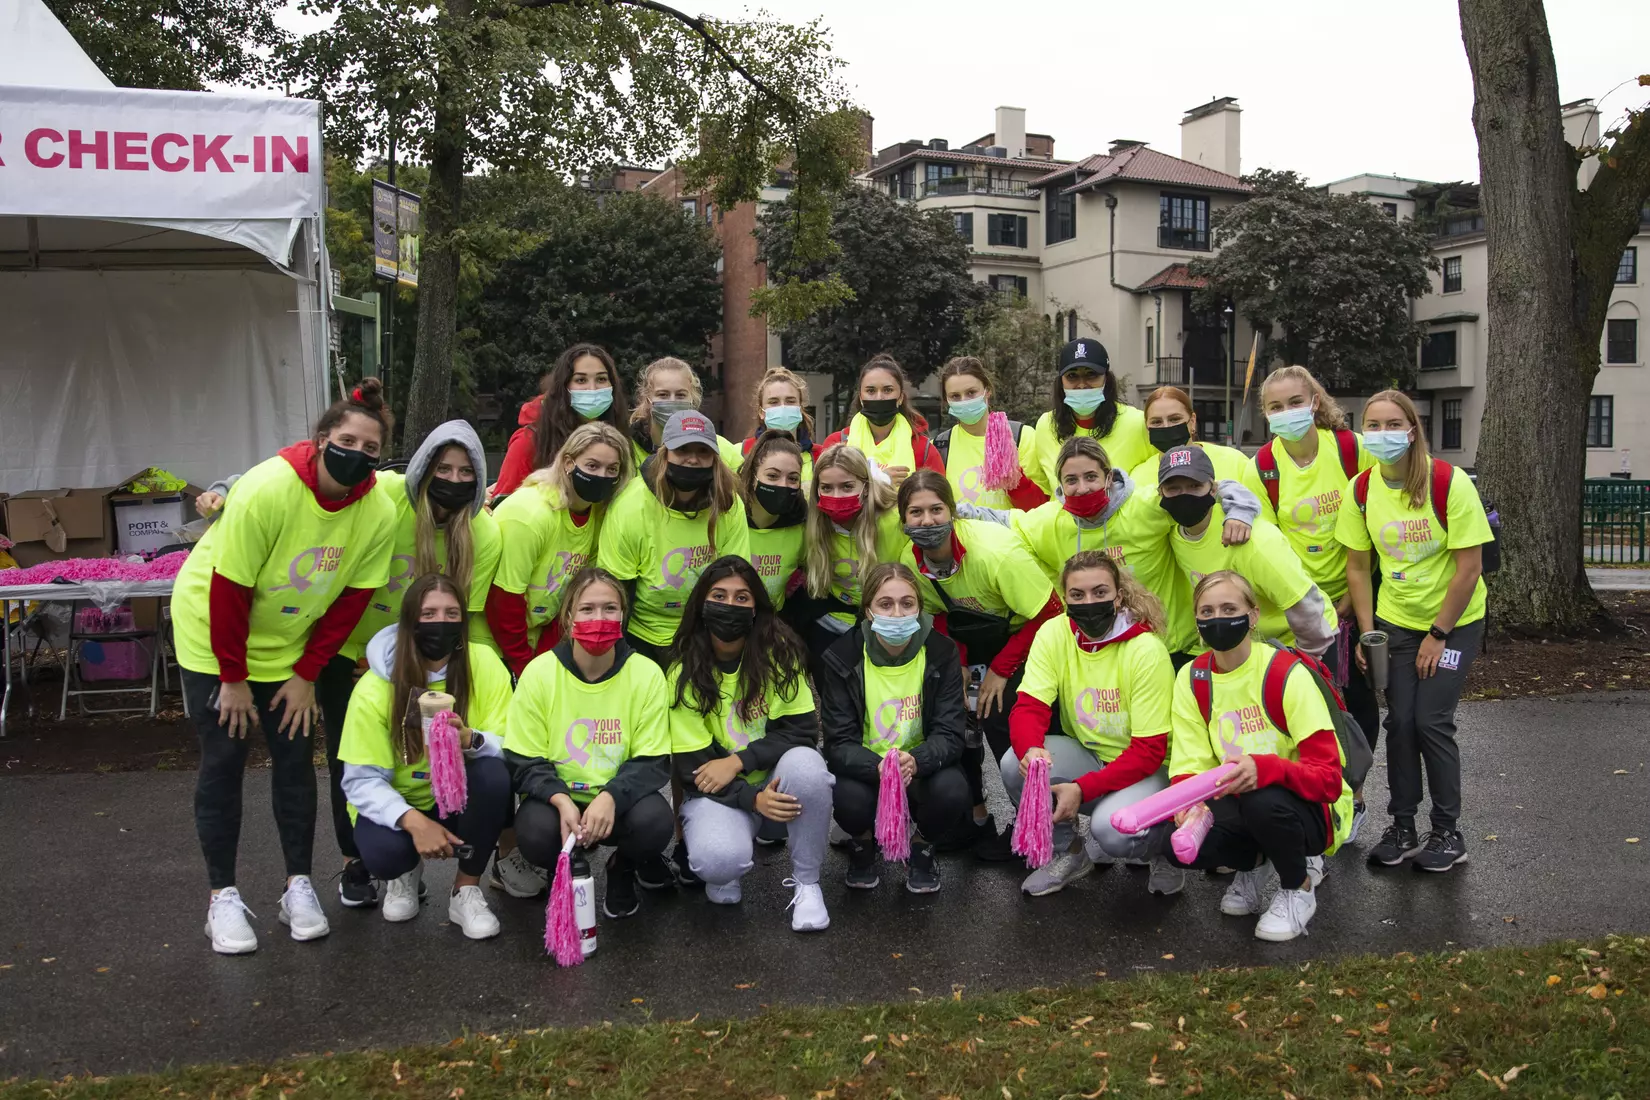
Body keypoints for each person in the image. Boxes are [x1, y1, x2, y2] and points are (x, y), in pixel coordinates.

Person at [173, 380, 397, 954]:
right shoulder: (268, 488)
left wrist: (305, 675)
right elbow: (228, 591)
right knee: (224, 757)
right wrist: (232, 679)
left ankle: (298, 883)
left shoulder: (376, 510)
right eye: (347, 441)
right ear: (321, 440)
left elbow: (350, 602)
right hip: (214, 634)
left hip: (287, 645)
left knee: (295, 761)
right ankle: (221, 896)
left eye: (371, 449)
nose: (358, 455)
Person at [318, 419, 501, 908]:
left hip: (433, 656)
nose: (456, 480)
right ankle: (356, 861)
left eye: (468, 472)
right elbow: (320, 487)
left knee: (451, 755)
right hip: (355, 651)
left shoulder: (483, 531)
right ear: (422, 468)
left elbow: (473, 616)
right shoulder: (388, 497)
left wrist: (479, 668)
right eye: (444, 468)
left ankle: (458, 873)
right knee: (352, 753)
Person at [1338, 389, 1490, 873]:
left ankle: (1447, 830)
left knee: (1431, 721)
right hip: (1395, 623)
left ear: (1412, 429)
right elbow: (1358, 570)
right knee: (1399, 722)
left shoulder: (1449, 482)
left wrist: (1439, 634)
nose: (1383, 435)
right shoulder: (1361, 490)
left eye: (1392, 424)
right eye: (1373, 425)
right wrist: (1368, 634)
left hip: (1454, 621)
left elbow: (1469, 569)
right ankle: (1402, 826)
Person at [1165, 571, 1354, 942]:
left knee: (1262, 799)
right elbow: (1189, 765)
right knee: (1168, 841)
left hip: (1312, 807)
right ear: (1197, 621)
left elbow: (1328, 779)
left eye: (1229, 608)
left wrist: (1265, 769)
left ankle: (1297, 887)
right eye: (1207, 610)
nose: (1218, 617)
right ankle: (1253, 863)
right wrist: (1187, 806)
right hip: (1238, 801)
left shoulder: (1285, 673)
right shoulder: (1193, 677)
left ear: (1253, 615)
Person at [337, 574, 514, 938]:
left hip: (460, 796)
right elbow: (360, 780)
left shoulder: (484, 663)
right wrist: (415, 823)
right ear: (408, 621)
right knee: (385, 855)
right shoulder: (375, 687)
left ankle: (465, 889)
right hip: (404, 801)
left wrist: (472, 740)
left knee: (495, 777)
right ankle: (404, 874)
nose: (441, 623)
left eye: (452, 614)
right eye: (428, 613)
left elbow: (513, 744)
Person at [1243, 365, 1379, 835]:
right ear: (1265, 414)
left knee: (1356, 705)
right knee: (1305, 708)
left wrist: (1347, 598)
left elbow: (1374, 518)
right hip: (1298, 610)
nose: (1287, 413)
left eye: (1295, 403)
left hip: (1354, 596)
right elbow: (1267, 540)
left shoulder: (1349, 450)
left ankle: (1355, 797)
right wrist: (1313, 603)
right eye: (1275, 407)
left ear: (1315, 402)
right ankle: (1315, 799)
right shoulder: (1261, 466)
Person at [898, 469, 1061, 858]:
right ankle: (973, 818)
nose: (927, 521)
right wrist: (962, 670)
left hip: (1028, 636)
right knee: (958, 718)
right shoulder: (911, 557)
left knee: (1004, 723)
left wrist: (1001, 673)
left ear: (953, 512)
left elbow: (1050, 613)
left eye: (936, 510)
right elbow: (939, 615)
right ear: (902, 520)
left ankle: (1036, 825)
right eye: (915, 513)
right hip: (974, 643)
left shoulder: (995, 552)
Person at [1001, 551, 1183, 897]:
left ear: (1118, 595)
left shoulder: (1146, 650)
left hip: (1151, 769)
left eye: (1100, 593)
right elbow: (1029, 706)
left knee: (1111, 831)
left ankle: (1163, 848)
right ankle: (1069, 853)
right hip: (1090, 752)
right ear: (1065, 597)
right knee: (1016, 765)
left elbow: (1148, 752)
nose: (1089, 602)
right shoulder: (1054, 632)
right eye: (1077, 595)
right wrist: (1031, 752)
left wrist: (1083, 789)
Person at [666, 557, 831, 931]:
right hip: (722, 795)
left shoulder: (780, 652)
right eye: (719, 595)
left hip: (772, 784)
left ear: (756, 607)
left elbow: (802, 730)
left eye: (742, 598)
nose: (730, 605)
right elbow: (693, 766)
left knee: (808, 766)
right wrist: (750, 798)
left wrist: (739, 760)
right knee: (718, 862)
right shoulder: (682, 671)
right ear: (702, 604)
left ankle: (808, 883)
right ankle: (729, 862)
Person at [505, 567, 676, 919]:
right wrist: (561, 799)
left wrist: (611, 796)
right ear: (568, 618)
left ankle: (622, 870)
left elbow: (653, 760)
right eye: (587, 609)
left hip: (617, 800)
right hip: (559, 798)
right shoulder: (539, 673)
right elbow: (523, 759)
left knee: (656, 822)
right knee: (535, 831)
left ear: (623, 616)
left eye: (610, 608)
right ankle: (564, 871)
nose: (599, 617)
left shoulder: (646, 673)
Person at [997, 436, 1260, 664]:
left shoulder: (1144, 507)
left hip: (1170, 648)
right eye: (1071, 480)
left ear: (1108, 477)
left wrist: (1239, 512)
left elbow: (1213, 487)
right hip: (1104, 654)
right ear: (1061, 486)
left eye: (1091, 477)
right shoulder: (1050, 521)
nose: (1083, 487)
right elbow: (1004, 521)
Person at [819, 563, 971, 894]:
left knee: (954, 790)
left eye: (907, 603)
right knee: (844, 796)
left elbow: (950, 733)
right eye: (885, 604)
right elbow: (838, 743)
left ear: (919, 607)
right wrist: (879, 767)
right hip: (867, 769)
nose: (898, 613)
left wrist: (916, 760)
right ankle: (861, 844)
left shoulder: (941, 652)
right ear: (869, 611)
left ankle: (922, 846)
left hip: (918, 767)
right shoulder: (841, 657)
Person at [597, 409, 751, 664]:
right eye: (682, 450)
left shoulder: (729, 504)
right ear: (664, 453)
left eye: (702, 452)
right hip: (641, 633)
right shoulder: (630, 505)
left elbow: (734, 576)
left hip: (702, 631)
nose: (692, 460)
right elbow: (616, 589)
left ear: (715, 458)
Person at [1160, 446, 1337, 657]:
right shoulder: (1170, 531)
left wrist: (1306, 662)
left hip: (1303, 640)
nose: (1184, 496)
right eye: (1174, 489)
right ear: (1160, 493)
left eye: (1195, 486)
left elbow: (1303, 604)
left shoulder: (1251, 539)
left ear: (1213, 489)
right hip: (1243, 645)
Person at [488, 422, 632, 677]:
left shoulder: (599, 514)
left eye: (612, 469)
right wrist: (524, 666)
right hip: (495, 644)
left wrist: (547, 652)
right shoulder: (530, 514)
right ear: (568, 463)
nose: (602, 476)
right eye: (592, 466)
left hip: (537, 637)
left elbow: (573, 593)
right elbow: (504, 601)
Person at [794, 443, 910, 656]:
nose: (836, 496)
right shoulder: (810, 523)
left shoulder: (895, 521)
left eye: (847, 487)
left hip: (888, 624)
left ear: (866, 487)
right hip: (832, 621)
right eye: (827, 488)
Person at [491, 343, 633, 501]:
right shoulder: (531, 441)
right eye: (580, 380)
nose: (592, 388)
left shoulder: (622, 437)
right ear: (564, 387)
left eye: (601, 379)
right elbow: (503, 505)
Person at [1024, 338, 1154, 499]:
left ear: (1107, 379)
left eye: (1091, 375)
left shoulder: (1137, 422)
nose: (1082, 384)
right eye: (1072, 376)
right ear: (1060, 382)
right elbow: (1045, 493)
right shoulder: (1046, 425)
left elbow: (1165, 462)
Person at [932, 356, 1047, 511]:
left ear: (987, 391)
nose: (964, 401)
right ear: (946, 400)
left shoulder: (1022, 436)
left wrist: (1013, 479)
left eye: (971, 392)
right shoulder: (938, 447)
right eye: (955, 396)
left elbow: (1041, 508)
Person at [819, 354, 945, 488]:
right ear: (861, 397)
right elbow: (828, 497)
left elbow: (937, 500)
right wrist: (879, 482)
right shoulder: (835, 444)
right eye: (871, 391)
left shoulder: (923, 449)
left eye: (888, 390)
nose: (879, 397)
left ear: (900, 397)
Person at [629, 356, 744, 470]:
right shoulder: (628, 449)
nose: (672, 401)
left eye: (680, 395)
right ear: (647, 399)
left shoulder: (719, 448)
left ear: (692, 400)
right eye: (663, 395)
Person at [739, 431, 810, 612]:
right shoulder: (730, 518)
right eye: (772, 476)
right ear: (753, 476)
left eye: (793, 478)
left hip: (772, 624)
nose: (783, 485)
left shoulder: (802, 525)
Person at [1133, 386, 1249, 483]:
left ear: (1192, 421)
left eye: (1175, 419)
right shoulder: (1138, 478)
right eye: (1156, 422)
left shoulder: (1234, 462)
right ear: (1147, 427)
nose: (1166, 427)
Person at [737, 367, 822, 481]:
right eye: (774, 402)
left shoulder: (821, 457)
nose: (783, 407)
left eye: (790, 401)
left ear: (800, 408)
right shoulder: (739, 453)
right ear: (761, 412)